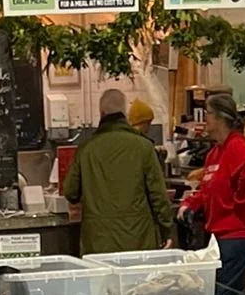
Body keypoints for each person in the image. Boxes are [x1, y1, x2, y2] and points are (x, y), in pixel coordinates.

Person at [65, 89, 174, 255]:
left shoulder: (86, 149)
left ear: (101, 113)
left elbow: (70, 192)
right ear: (124, 112)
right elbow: (158, 195)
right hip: (139, 241)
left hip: (98, 242)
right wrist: (167, 231)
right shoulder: (144, 147)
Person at [181, 91, 245, 295]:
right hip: (220, 234)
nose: (205, 119)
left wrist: (238, 203)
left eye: (207, 113)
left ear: (220, 117)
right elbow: (206, 188)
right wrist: (190, 204)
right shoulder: (214, 154)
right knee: (231, 292)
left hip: (237, 234)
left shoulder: (236, 146)